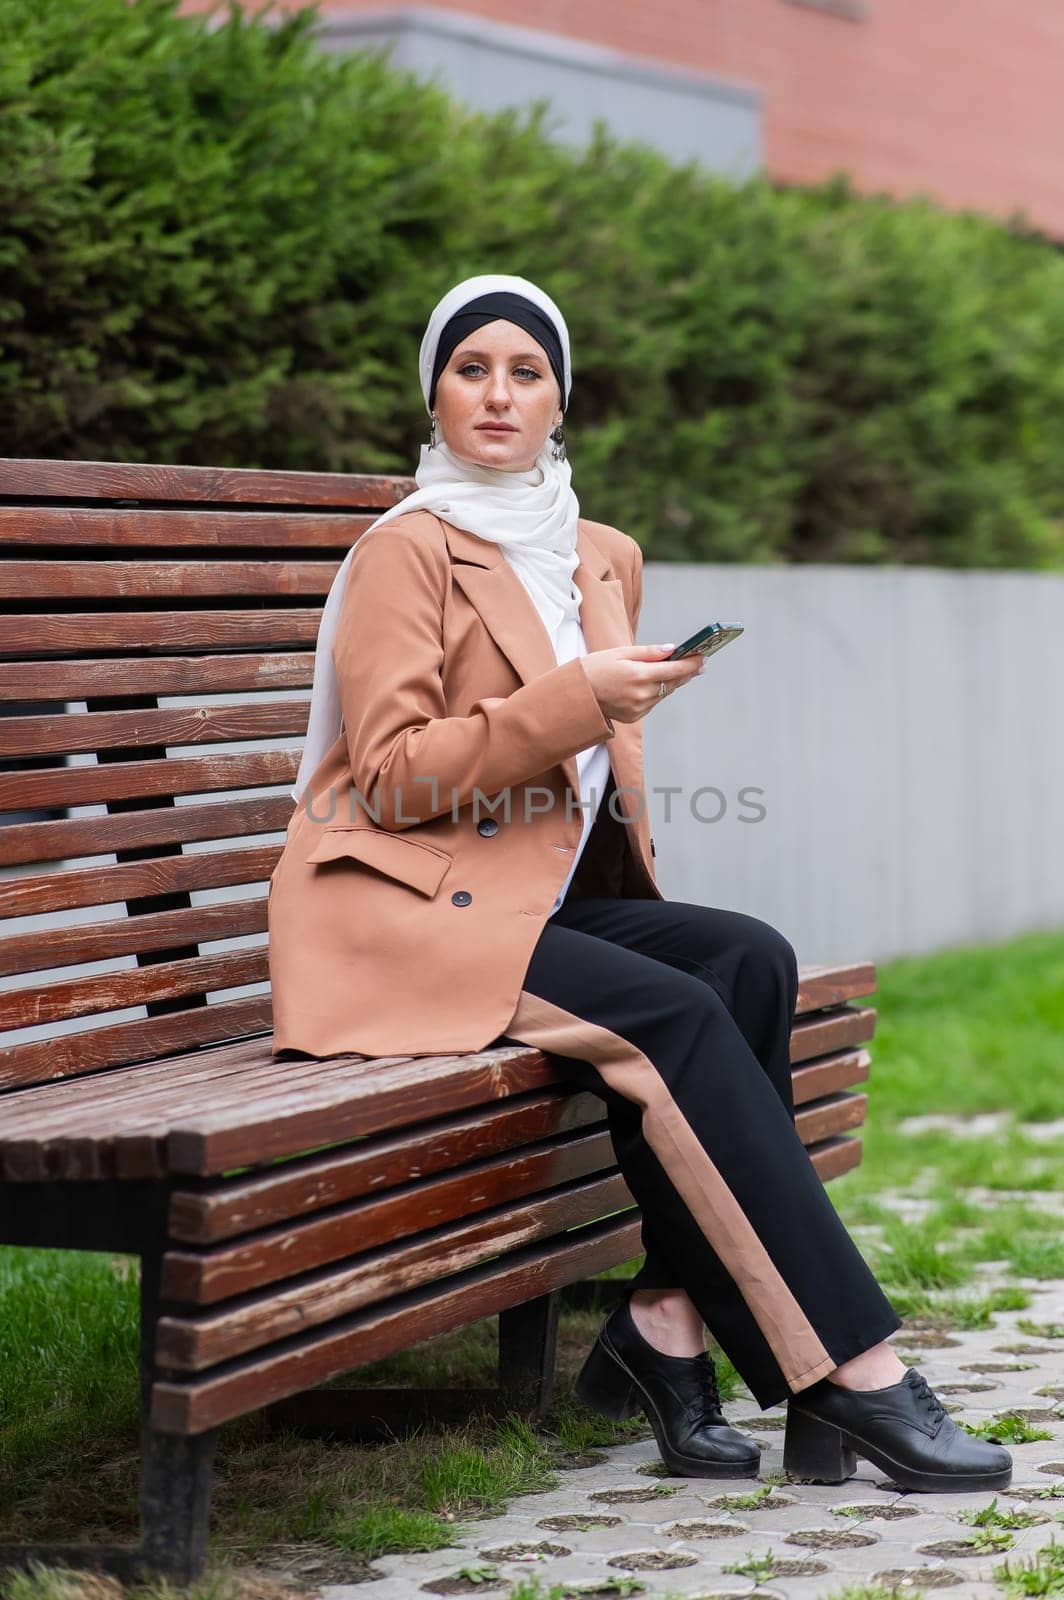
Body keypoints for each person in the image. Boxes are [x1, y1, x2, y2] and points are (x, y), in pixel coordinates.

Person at [269, 272, 1011, 1493]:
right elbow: (392, 777)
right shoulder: (404, 554)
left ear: (561, 400)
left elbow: (585, 776)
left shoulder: (595, 552)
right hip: (403, 910)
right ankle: (854, 1372)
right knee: (675, 1015)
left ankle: (663, 1325)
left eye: (526, 372)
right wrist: (575, 701)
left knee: (745, 956)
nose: (497, 395)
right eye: (470, 370)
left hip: (525, 896)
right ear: (432, 392)